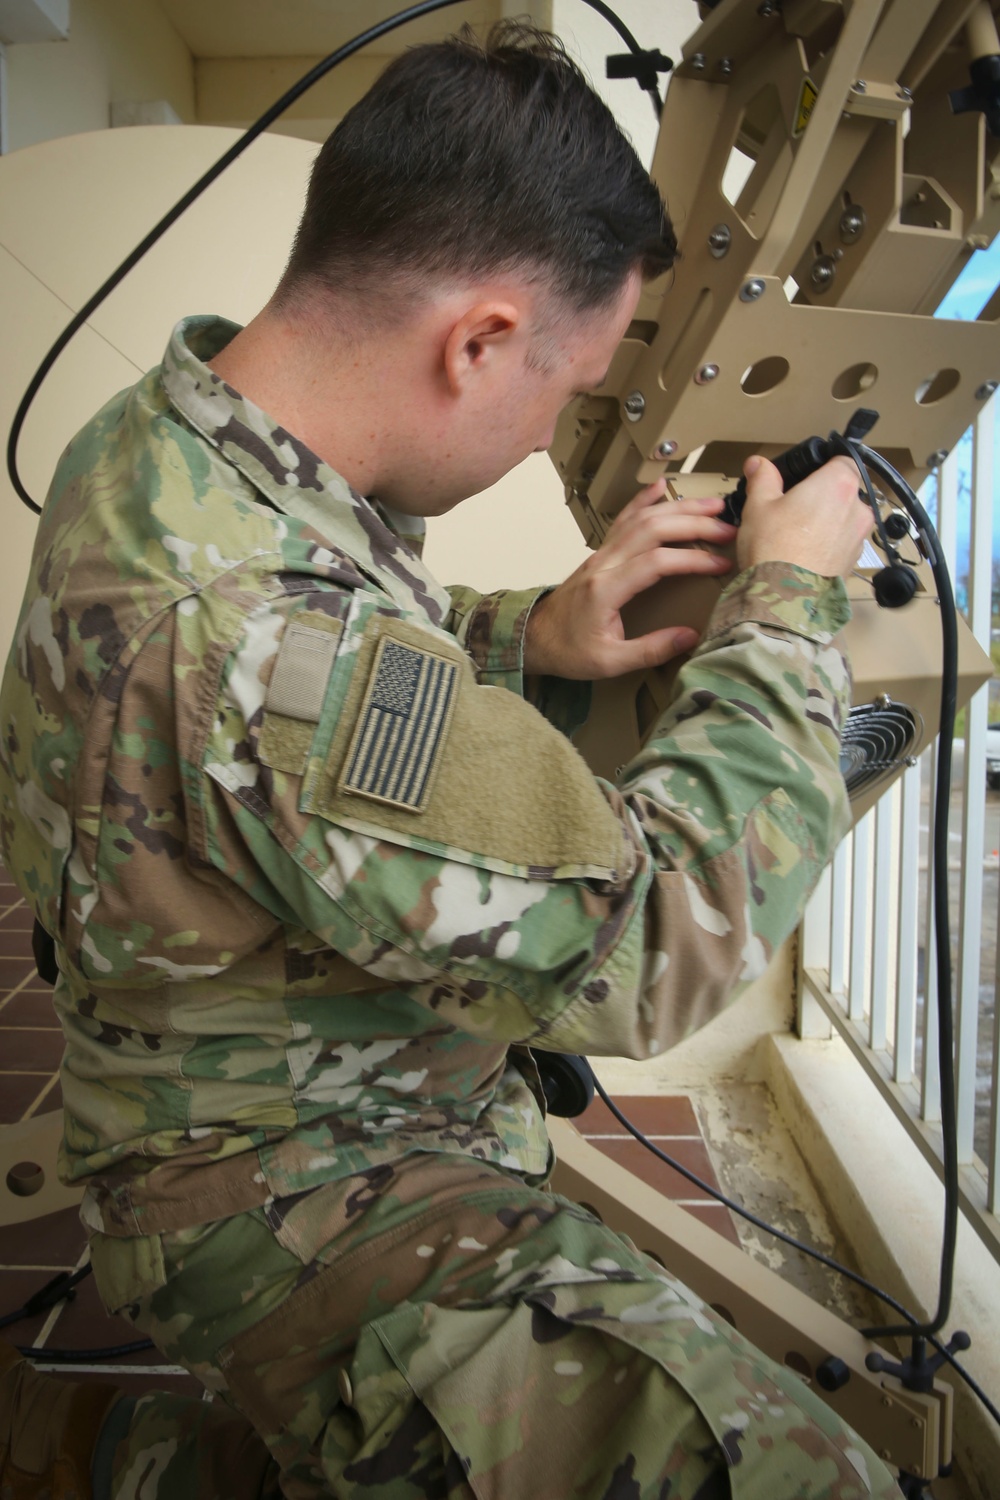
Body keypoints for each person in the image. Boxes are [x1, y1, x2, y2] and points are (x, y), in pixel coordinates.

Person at [0, 21, 894, 1500]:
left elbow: (276, 691)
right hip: (299, 1183)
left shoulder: (166, 435)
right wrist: (790, 601)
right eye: (567, 384)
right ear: (478, 338)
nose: (555, 431)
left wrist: (519, 631)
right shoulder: (272, 650)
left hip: (188, 1092)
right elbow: (653, 945)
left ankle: (133, 1461)